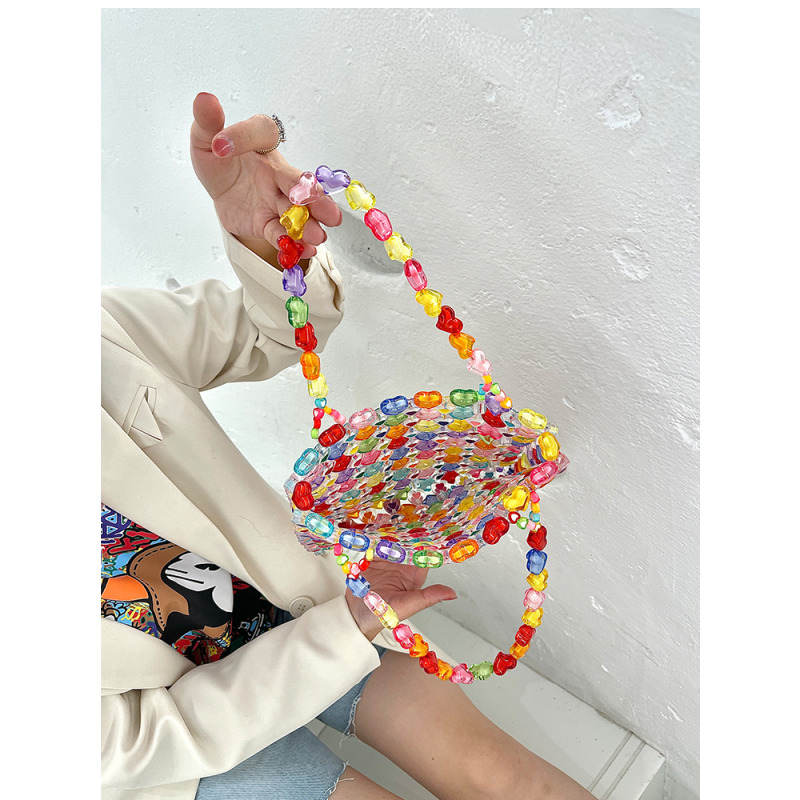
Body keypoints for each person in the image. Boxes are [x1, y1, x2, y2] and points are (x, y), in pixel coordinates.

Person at [101, 90, 596, 800]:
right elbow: (136, 743)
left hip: (288, 603)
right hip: (168, 751)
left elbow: (268, 333)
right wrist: (343, 633)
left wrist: (267, 243)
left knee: (498, 774)